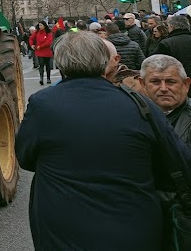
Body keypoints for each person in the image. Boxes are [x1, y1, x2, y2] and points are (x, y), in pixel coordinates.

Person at [15, 31, 191, 251]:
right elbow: (177, 159)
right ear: (105, 62)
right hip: (134, 225)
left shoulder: (43, 104)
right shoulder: (140, 105)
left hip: (64, 227)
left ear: (59, 63)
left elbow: (25, 157)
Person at [141, 54, 191, 149]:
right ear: (143, 84)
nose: (163, 88)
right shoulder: (136, 115)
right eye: (155, 81)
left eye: (171, 82)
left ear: (186, 84)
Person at [29, 21, 54, 85]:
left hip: (47, 51)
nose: (40, 27)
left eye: (41, 25)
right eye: (39, 25)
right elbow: (31, 38)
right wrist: (32, 45)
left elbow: (49, 42)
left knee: (48, 65)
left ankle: (48, 78)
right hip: (39, 51)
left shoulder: (48, 33)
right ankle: (41, 78)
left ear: (44, 26)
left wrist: (41, 46)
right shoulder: (36, 32)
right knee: (41, 65)